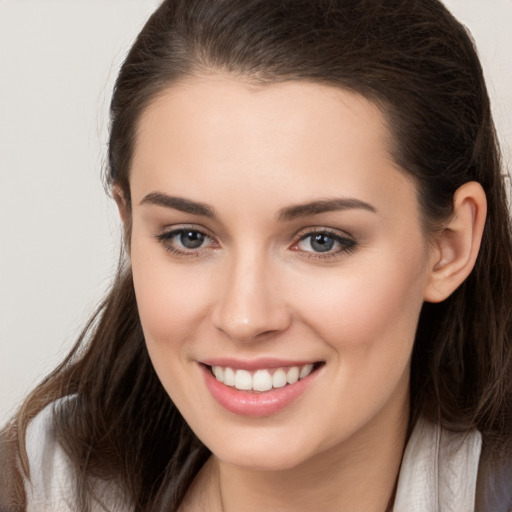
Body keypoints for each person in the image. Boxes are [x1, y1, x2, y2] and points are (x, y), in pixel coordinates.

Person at [1, 0, 511, 510]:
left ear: (449, 245)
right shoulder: (28, 488)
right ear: (129, 223)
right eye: (189, 237)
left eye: (322, 240)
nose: (244, 318)